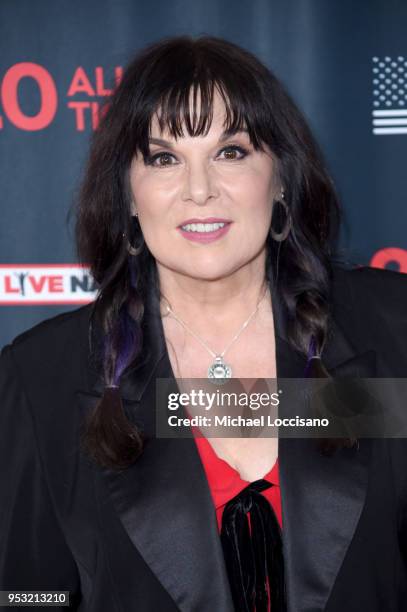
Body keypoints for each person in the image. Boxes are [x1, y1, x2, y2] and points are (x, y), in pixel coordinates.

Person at [1, 34, 407, 612]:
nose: (199, 190)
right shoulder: (42, 377)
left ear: (282, 179)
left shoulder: (390, 329)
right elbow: (26, 595)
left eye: (231, 152)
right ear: (130, 198)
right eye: (164, 158)